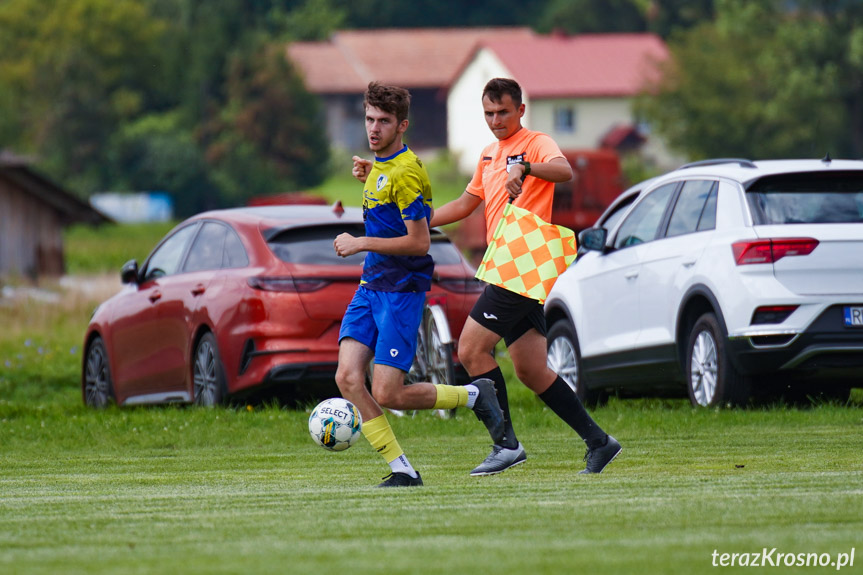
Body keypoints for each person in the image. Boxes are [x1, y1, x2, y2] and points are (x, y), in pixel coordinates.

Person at [429, 78, 622, 476]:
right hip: (506, 267)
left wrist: (527, 167)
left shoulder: (536, 143)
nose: (496, 120)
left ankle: (505, 445)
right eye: (489, 113)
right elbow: (467, 204)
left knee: (470, 350)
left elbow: (564, 171)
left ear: (520, 110)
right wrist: (417, 220)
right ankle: (600, 443)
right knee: (532, 370)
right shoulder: (487, 155)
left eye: (503, 112)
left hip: (521, 265)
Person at [334, 82, 505, 488]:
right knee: (348, 379)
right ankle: (402, 469)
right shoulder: (383, 165)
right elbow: (388, 204)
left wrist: (361, 242)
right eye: (369, 119)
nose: (374, 128)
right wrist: (368, 175)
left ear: (402, 125)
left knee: (389, 392)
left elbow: (419, 240)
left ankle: (473, 396)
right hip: (370, 286)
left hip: (400, 292)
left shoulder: (408, 171)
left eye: (384, 122)